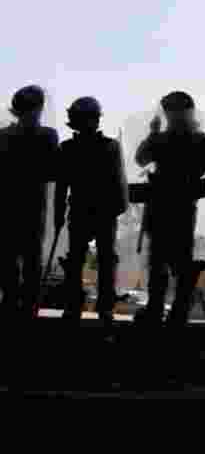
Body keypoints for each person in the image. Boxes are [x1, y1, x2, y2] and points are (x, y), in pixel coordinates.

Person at [133, 92, 205, 327]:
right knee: (171, 262)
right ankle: (175, 310)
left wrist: (154, 135)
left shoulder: (166, 139)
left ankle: (161, 309)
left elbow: (141, 159)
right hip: (179, 208)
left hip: (165, 207)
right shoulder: (199, 139)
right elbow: (203, 167)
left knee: (162, 262)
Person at [55, 97, 128, 328]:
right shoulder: (106, 146)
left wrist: (59, 213)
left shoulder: (71, 148)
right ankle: (91, 307)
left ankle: (87, 307)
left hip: (94, 211)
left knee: (89, 260)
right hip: (92, 211)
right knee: (90, 260)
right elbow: (62, 185)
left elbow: (118, 181)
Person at [0, 86, 60, 323]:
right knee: (31, 258)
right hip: (33, 205)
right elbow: (54, 170)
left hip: (7, 203)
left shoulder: (3, 136)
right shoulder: (48, 135)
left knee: (8, 257)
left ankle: (11, 300)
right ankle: (28, 304)